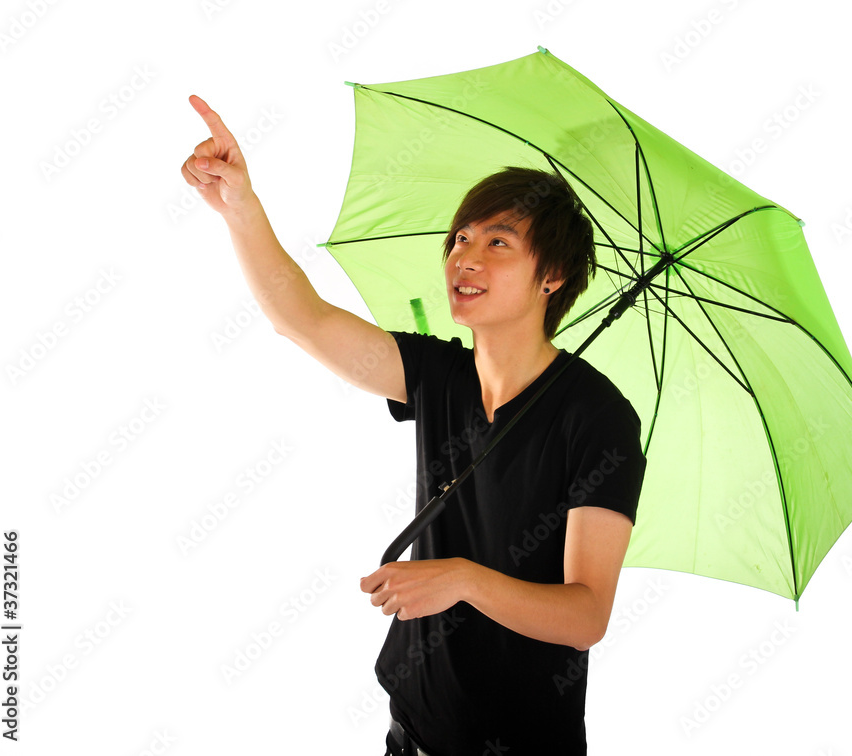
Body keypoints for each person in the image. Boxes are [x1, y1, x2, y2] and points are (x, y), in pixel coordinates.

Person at [181, 94, 646, 755]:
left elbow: (586, 616)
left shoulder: (598, 417)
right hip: (409, 737)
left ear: (553, 276)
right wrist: (240, 208)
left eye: (498, 242)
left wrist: (463, 579)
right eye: (460, 238)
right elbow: (303, 320)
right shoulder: (440, 374)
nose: (464, 257)